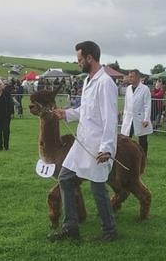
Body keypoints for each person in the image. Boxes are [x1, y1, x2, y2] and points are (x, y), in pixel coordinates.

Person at [49, 41, 118, 242]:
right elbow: (86, 111)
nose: (77, 62)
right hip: (82, 143)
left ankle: (110, 230)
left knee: (97, 188)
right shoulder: (89, 80)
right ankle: (71, 226)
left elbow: (109, 118)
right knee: (65, 178)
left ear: (90, 58)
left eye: (79, 59)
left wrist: (106, 148)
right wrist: (67, 113)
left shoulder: (105, 83)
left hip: (98, 146)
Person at [120, 69, 153, 155]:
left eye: (132, 76)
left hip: (140, 118)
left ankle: (143, 156)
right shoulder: (128, 89)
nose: (129, 78)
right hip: (129, 117)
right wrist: (124, 116)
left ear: (138, 77)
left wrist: (146, 119)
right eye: (129, 76)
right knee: (126, 138)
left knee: (142, 139)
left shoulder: (145, 89)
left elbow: (147, 105)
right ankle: (128, 156)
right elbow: (126, 104)